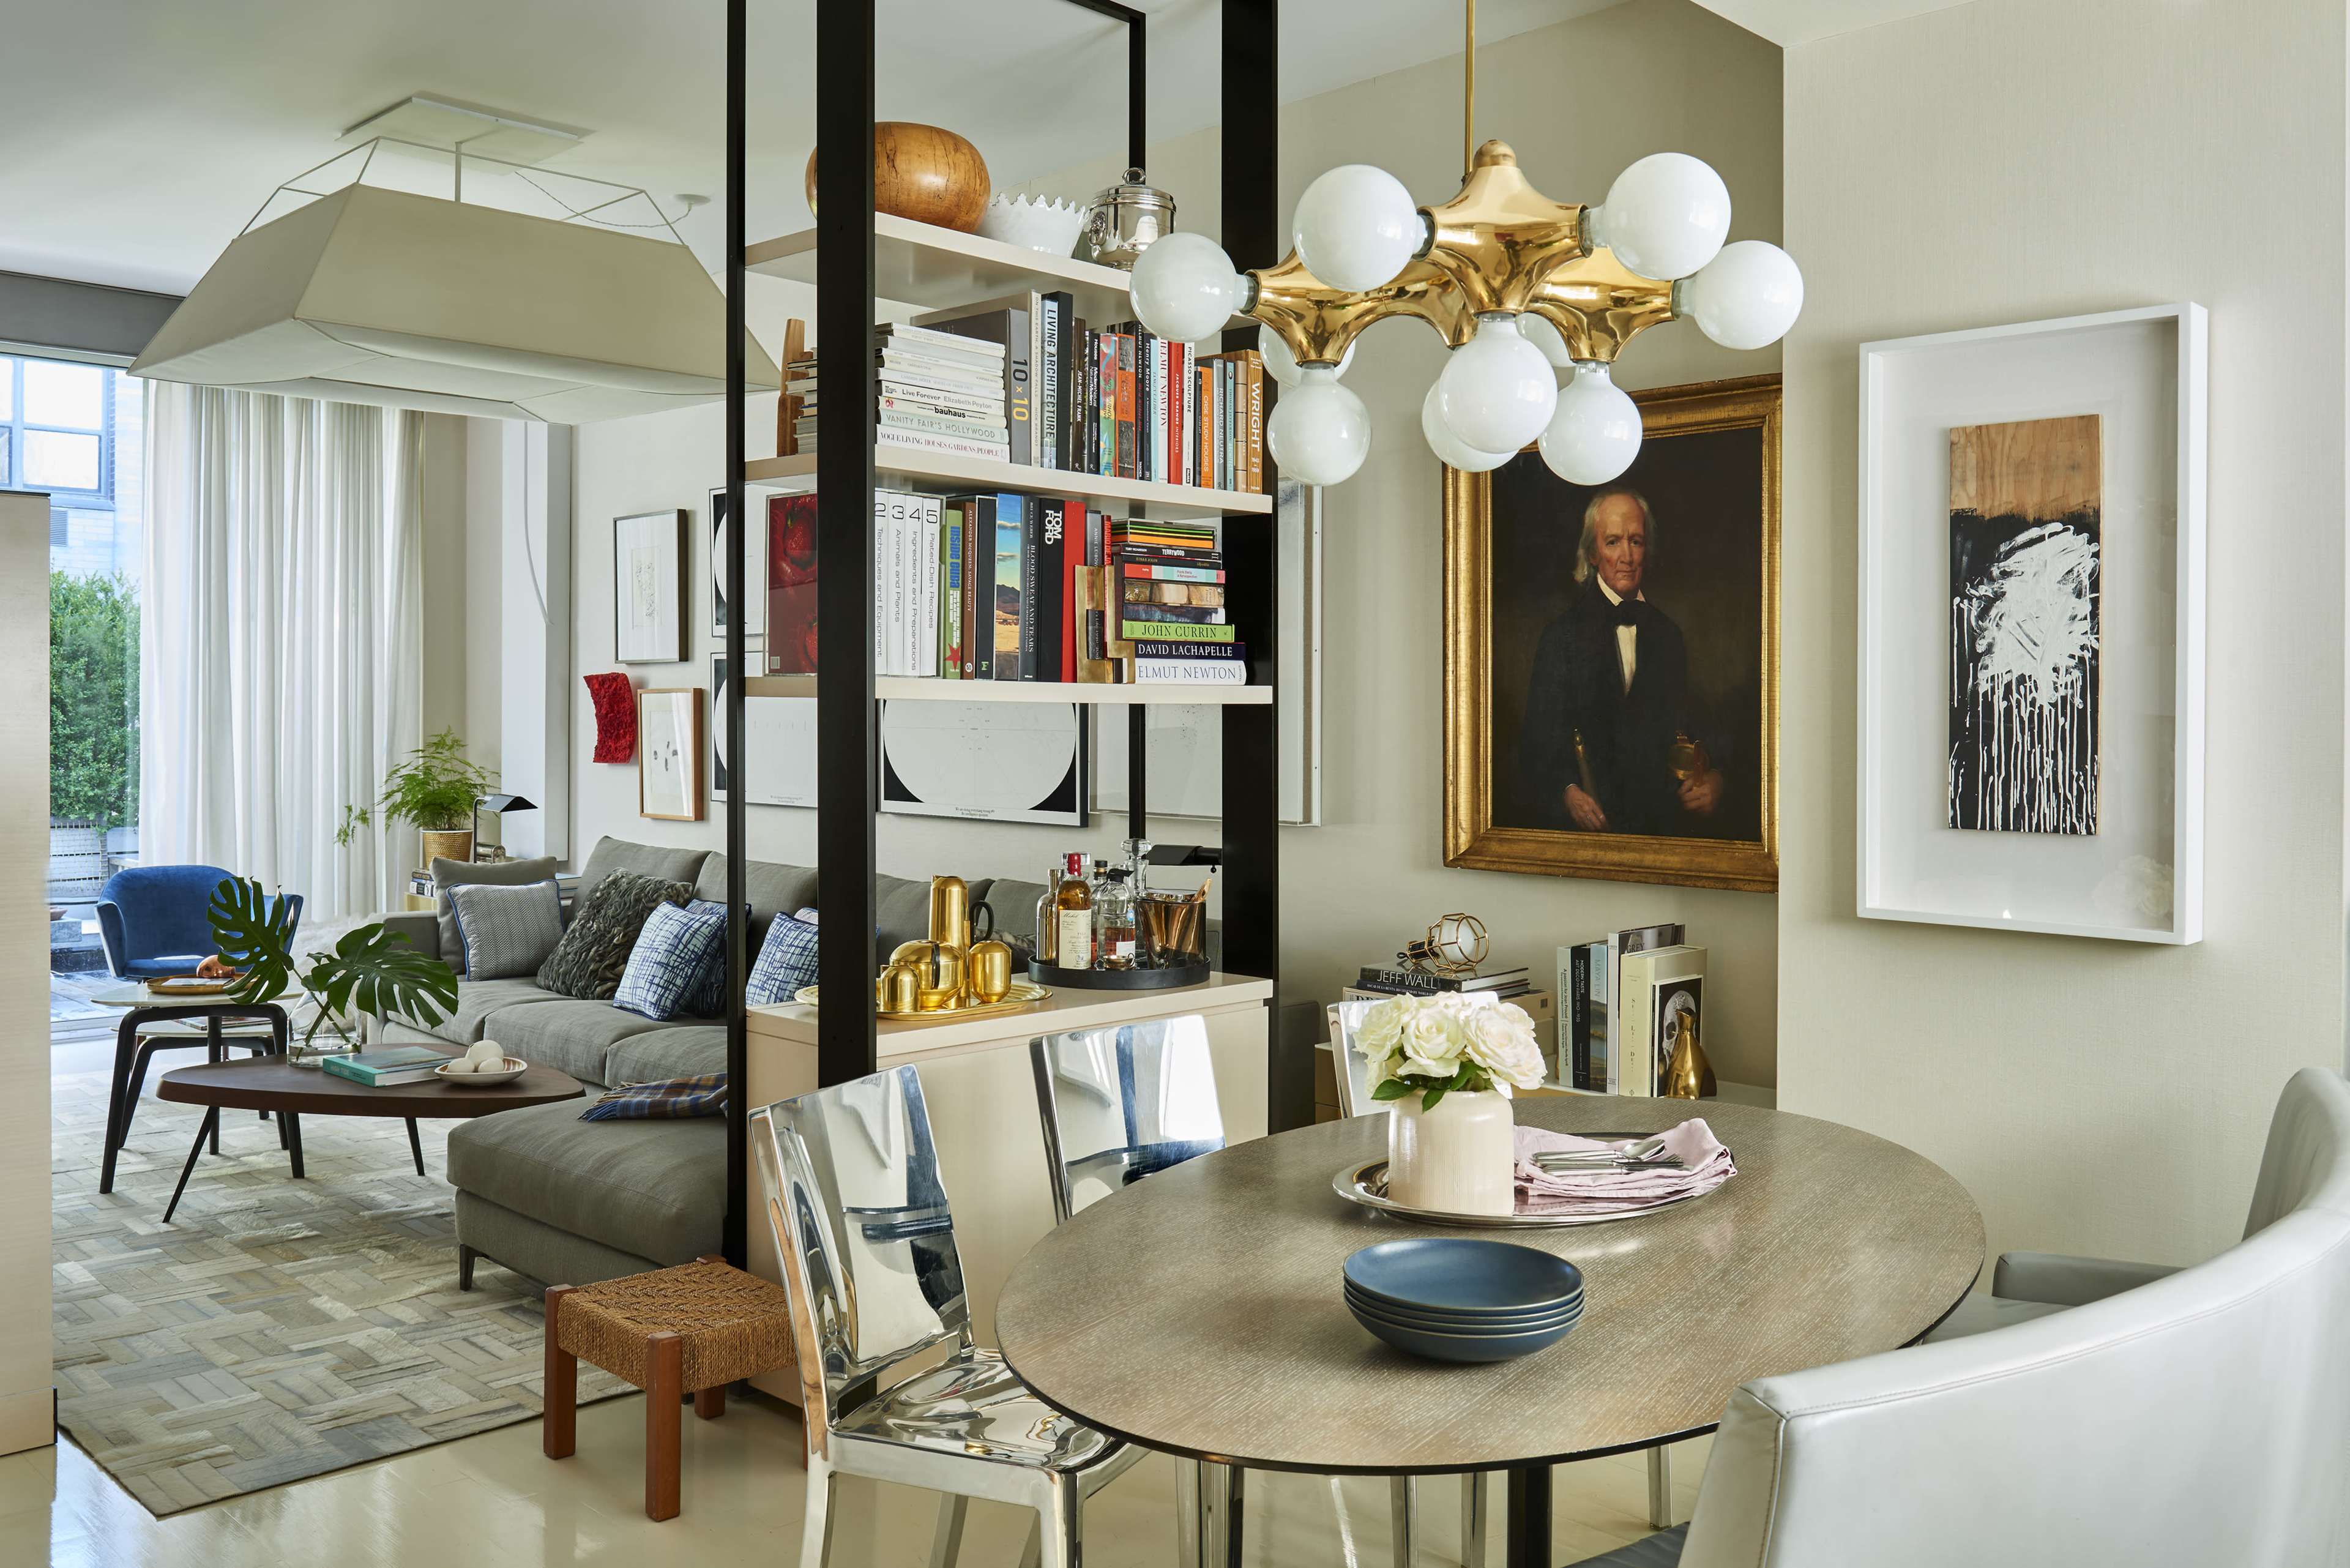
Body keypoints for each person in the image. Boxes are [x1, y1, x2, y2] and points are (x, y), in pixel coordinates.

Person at [1518, 488, 1723, 835]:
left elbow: (1692, 729)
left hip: (1659, 830)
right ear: (1593, 553)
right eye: (1613, 542)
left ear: (1648, 549)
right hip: (1588, 834)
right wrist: (1567, 792)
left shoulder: (1669, 634)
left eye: (1636, 541)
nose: (1627, 556)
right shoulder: (1561, 637)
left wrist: (1716, 779)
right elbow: (1538, 744)